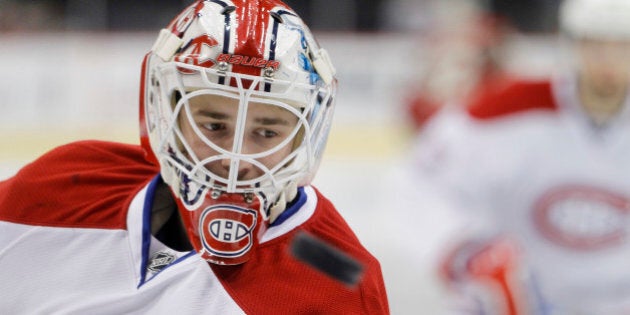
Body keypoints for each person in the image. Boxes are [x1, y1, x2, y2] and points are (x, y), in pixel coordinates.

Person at [0, 0, 390, 313]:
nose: (234, 158)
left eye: (267, 132)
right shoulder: (59, 189)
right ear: (167, 113)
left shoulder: (341, 281)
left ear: (303, 135)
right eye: (214, 126)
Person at [409, 0, 630, 313]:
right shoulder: (503, 111)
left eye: (623, 46)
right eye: (595, 44)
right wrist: (464, 253)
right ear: (571, 44)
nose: (609, 60)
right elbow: (421, 182)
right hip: (518, 304)